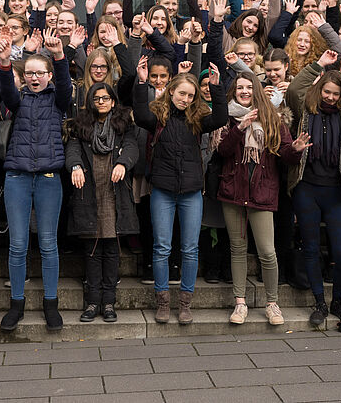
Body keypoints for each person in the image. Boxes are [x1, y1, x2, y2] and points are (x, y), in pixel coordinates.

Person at [135, 54, 227, 325]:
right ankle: (163, 301)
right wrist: (142, 83)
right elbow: (140, 115)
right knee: (162, 247)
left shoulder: (198, 119)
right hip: (162, 190)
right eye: (182, 93)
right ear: (171, 90)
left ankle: (185, 303)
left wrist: (217, 86)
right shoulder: (157, 117)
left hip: (190, 192)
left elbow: (221, 117)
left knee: (189, 249)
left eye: (190, 95)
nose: (185, 99)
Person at [286, 50, 341, 326]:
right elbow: (294, 92)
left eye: (336, 93)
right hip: (307, 189)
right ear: (320, 88)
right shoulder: (304, 111)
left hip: (337, 191)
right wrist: (318, 65)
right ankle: (319, 303)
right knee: (310, 247)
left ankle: (337, 300)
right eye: (327, 92)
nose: (331, 97)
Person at [217, 72, 309, 326]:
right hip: (233, 190)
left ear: (256, 90)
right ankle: (240, 303)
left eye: (248, 87)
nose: (244, 92)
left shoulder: (272, 118)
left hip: (262, 192)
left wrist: (297, 149)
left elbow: (286, 155)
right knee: (237, 249)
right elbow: (223, 150)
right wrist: (240, 127)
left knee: (267, 252)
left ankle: (272, 303)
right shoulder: (227, 116)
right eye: (239, 88)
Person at [0, 30, 72, 332]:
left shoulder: (58, 101)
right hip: (17, 176)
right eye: (29, 73)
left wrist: (60, 56)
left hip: (49, 178)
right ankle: (17, 305)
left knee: (48, 243)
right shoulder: (19, 100)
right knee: (17, 245)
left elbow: (65, 86)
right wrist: (4, 63)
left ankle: (50, 305)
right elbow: (5, 90)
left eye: (41, 73)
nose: (35, 78)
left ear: (49, 74)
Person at [67, 83, 139, 323]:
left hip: (113, 194)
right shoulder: (81, 126)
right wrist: (75, 166)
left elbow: (131, 148)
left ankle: (108, 302)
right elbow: (73, 150)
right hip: (89, 194)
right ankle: (92, 302)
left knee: (111, 250)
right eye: (97, 98)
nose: (101, 102)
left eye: (106, 98)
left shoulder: (123, 126)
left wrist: (123, 163)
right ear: (90, 101)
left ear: (113, 101)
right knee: (91, 250)